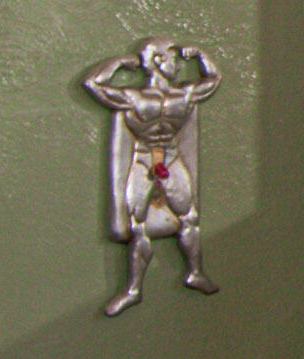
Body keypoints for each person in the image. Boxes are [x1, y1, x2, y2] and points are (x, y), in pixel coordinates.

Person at [83, 38, 220, 315]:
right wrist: (119, 63)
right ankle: (133, 290)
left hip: (170, 157)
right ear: (158, 61)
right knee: (137, 225)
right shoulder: (134, 98)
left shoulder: (183, 95)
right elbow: (93, 84)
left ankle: (194, 272)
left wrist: (201, 55)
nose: (178, 65)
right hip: (143, 158)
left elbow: (214, 79)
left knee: (189, 217)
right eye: (173, 59)